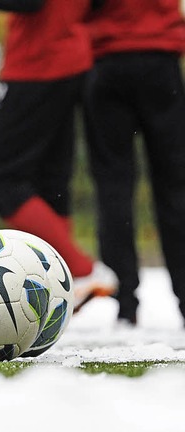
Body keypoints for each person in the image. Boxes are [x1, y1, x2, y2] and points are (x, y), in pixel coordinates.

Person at [0, 0, 118, 311]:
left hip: (37, 63)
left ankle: (83, 271)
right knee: (50, 182)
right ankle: (58, 281)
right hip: (70, 59)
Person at [83, 0, 185, 325]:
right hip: (159, 60)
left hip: (107, 61)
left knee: (113, 187)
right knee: (176, 188)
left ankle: (125, 303)